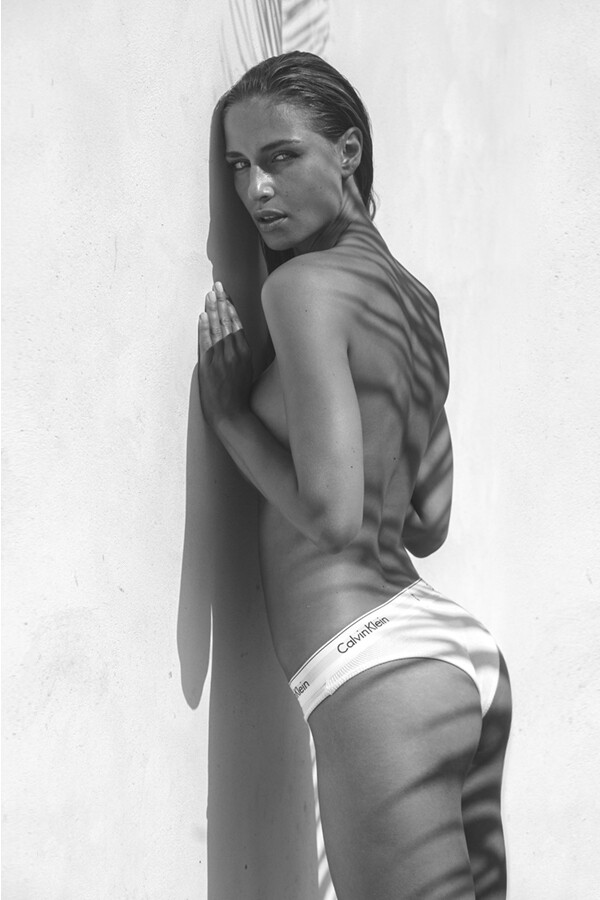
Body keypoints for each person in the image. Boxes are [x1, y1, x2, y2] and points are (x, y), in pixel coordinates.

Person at [197, 51, 511, 900]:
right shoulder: (415, 302)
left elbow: (335, 519)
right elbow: (430, 517)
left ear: (349, 152)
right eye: (238, 165)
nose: (256, 189)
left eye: (281, 156)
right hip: (448, 652)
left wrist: (232, 418)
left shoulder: (303, 290)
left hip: (373, 664)